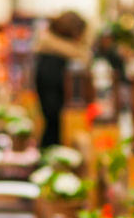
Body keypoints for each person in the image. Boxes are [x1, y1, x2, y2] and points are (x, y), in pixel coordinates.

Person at [34, 11, 91, 147]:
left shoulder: (56, 55)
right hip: (57, 141)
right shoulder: (54, 59)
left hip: (58, 136)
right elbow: (52, 108)